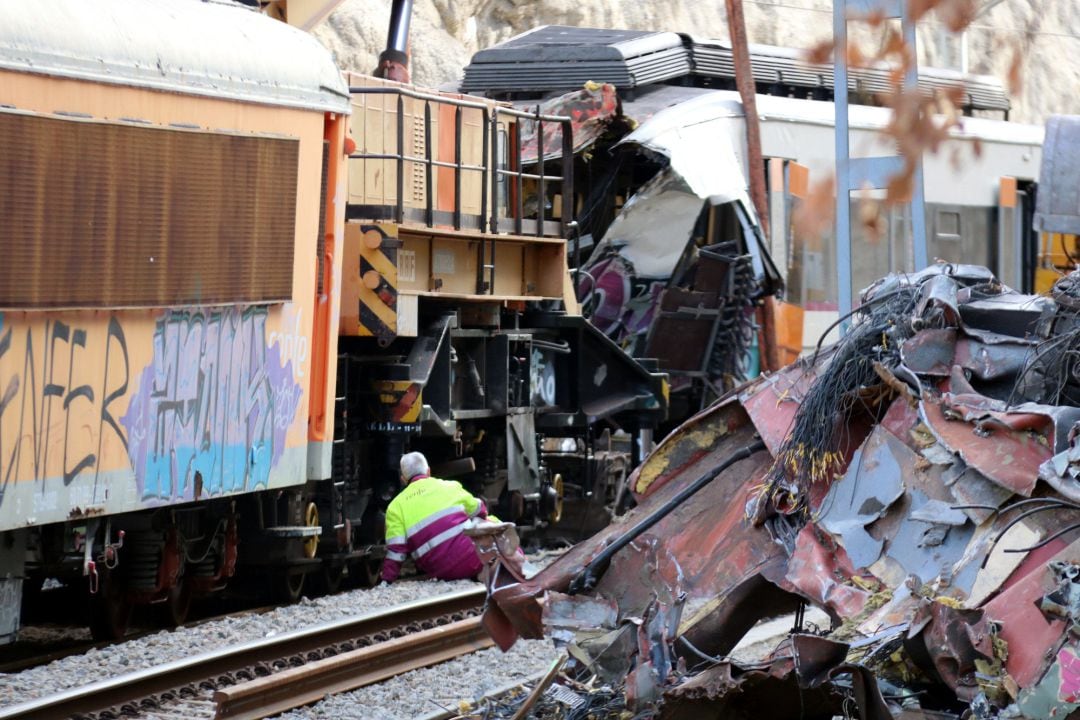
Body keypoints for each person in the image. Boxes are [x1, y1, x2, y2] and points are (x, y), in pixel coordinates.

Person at [380, 451, 488, 583]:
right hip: (473, 561)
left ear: (403, 479)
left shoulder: (395, 507)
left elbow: (396, 551)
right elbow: (480, 509)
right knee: (491, 521)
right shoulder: (450, 486)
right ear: (428, 471)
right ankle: (516, 566)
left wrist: (386, 580)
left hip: (440, 572)